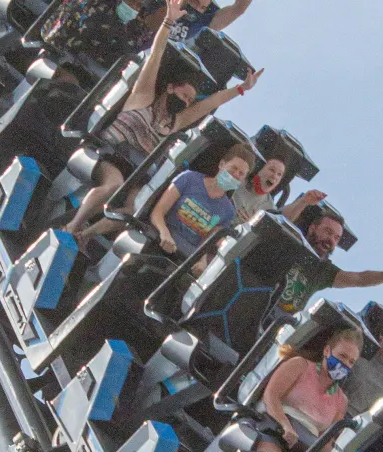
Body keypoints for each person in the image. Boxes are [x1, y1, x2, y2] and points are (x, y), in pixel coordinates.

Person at [62, 0, 263, 246]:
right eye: (183, 94)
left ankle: (85, 235)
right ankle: (71, 226)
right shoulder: (144, 96)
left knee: (136, 208)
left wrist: (241, 89)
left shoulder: (174, 122)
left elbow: (210, 103)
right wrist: (168, 22)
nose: (186, 100)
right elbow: (155, 55)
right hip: (107, 155)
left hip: (134, 174)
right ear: (169, 88)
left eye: (189, 99)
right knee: (113, 185)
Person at [268, 212, 383, 320]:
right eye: (327, 231)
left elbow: (358, 279)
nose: (331, 240)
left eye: (336, 238)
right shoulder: (290, 241)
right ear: (313, 228)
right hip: (259, 298)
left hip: (279, 321)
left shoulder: (323, 270)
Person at [42, 0, 253, 71]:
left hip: (131, 51)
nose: (196, 6)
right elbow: (147, 20)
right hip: (109, 25)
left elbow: (238, 9)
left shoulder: (201, 18)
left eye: (201, 5)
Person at [255, 325, 363, 452]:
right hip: (273, 427)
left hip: (304, 447)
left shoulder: (341, 401)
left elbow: (325, 441)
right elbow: (270, 395)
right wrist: (285, 425)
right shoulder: (300, 365)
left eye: (351, 362)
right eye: (342, 356)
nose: (345, 363)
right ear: (327, 351)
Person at [149, 143, 257, 258]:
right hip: (159, 238)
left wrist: (202, 260)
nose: (236, 174)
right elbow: (157, 212)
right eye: (234, 168)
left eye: (241, 174)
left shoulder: (228, 211)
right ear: (222, 164)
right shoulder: (189, 178)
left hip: (184, 257)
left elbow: (209, 241)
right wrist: (164, 233)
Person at [231, 156, 325, 223]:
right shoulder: (237, 179)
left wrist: (303, 201)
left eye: (279, 174)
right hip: (216, 219)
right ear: (260, 169)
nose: (274, 176)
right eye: (271, 170)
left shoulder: (268, 206)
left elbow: (282, 218)